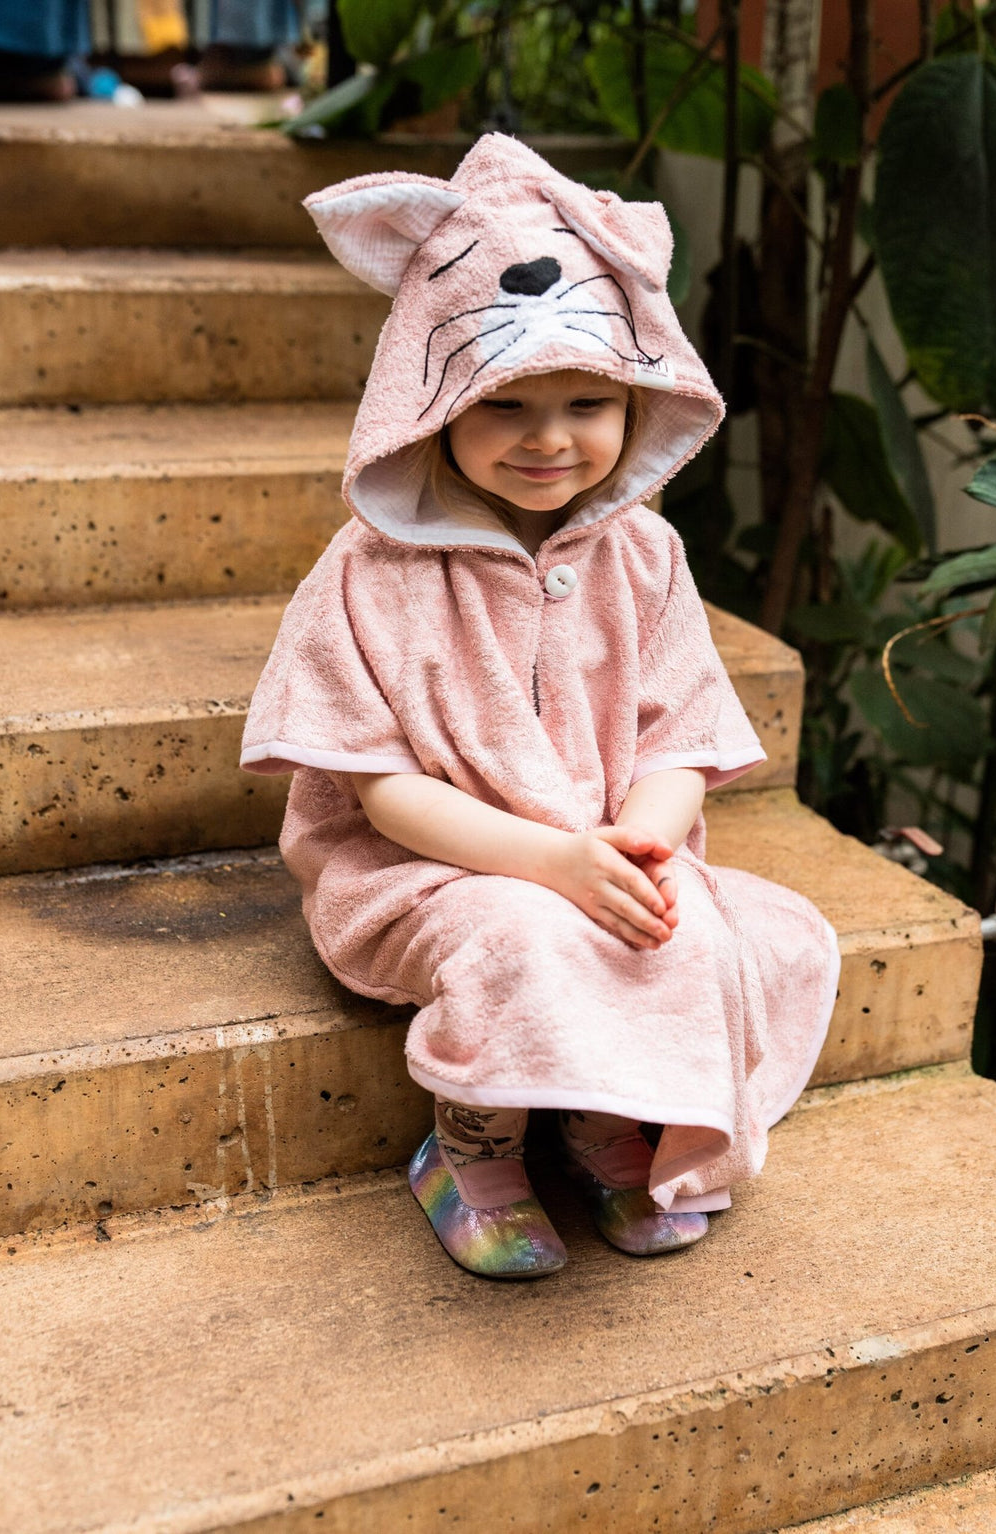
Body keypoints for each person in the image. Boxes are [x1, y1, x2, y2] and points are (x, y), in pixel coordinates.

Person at [241, 134, 840, 1280]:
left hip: (603, 841)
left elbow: (678, 734)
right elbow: (384, 791)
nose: (550, 438)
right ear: (431, 400)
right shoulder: (373, 574)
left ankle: (612, 1118)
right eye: (506, 402)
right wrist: (549, 863)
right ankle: (471, 1149)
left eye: (586, 401)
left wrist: (644, 842)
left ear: (634, 399)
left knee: (682, 922)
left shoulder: (646, 556)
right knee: (522, 935)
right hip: (432, 866)